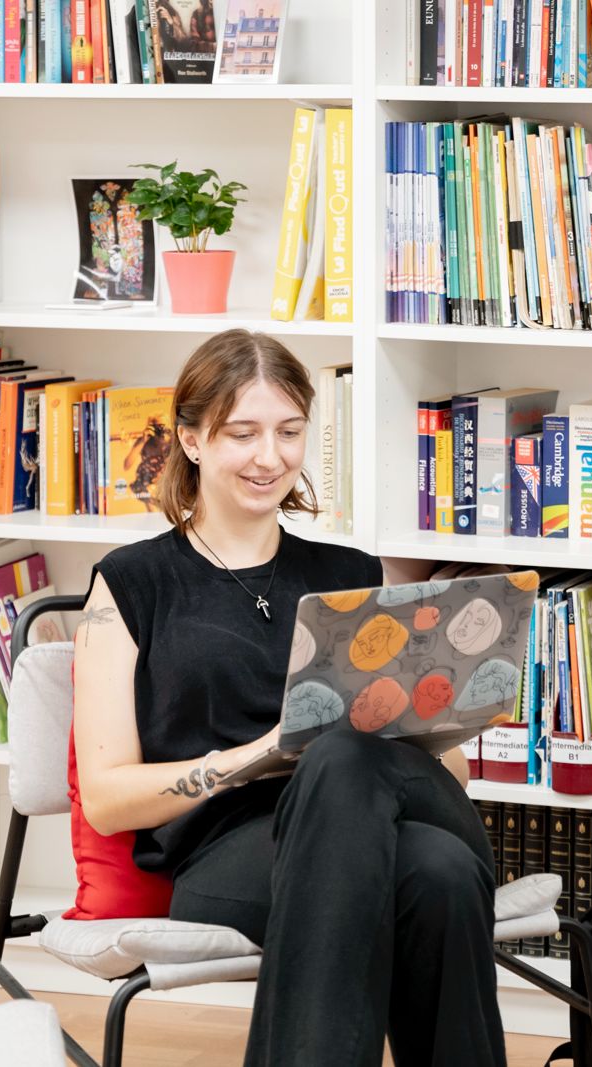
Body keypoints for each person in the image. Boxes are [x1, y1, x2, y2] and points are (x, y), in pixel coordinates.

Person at [71, 329, 505, 1067]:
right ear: (193, 439)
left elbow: (453, 777)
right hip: (228, 856)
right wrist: (264, 754)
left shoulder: (353, 572)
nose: (269, 456)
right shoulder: (129, 584)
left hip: (390, 808)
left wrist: (418, 723)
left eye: (289, 431)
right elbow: (108, 799)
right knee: (438, 874)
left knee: (345, 757)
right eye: (242, 433)